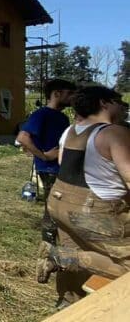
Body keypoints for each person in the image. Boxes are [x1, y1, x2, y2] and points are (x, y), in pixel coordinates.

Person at [37, 86, 130, 308]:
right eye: (119, 101)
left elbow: (62, 164)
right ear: (104, 103)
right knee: (125, 268)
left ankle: (67, 303)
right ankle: (59, 258)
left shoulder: (70, 131)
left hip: (59, 202)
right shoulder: (113, 133)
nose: (123, 107)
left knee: (79, 248)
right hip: (94, 210)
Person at [16, 79, 77, 243]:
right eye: (69, 93)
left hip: (63, 167)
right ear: (56, 94)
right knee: (53, 209)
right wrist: (44, 156)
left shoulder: (63, 117)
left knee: (63, 208)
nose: (73, 97)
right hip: (49, 169)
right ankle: (49, 247)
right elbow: (23, 137)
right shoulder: (41, 114)